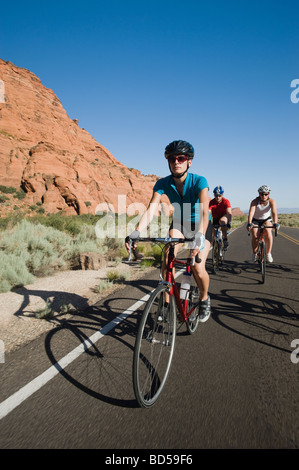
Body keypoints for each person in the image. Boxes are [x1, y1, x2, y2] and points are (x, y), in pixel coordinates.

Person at [125, 140, 212, 322]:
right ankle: (165, 304)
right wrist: (136, 231)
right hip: (180, 223)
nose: (176, 162)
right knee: (167, 258)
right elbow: (150, 210)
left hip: (202, 225)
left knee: (197, 265)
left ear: (189, 161)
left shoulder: (199, 181)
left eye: (181, 158)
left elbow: (205, 212)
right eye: (172, 158)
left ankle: (204, 299)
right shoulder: (162, 183)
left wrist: (200, 236)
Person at [247, 185, 280, 263]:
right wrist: (249, 223)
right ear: (259, 194)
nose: (264, 196)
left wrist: (275, 223)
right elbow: (251, 213)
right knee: (255, 235)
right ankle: (254, 253)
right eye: (262, 194)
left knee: (268, 232)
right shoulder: (254, 201)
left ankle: (268, 253)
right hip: (255, 220)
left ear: (268, 194)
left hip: (266, 219)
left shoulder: (272, 201)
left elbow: (274, 213)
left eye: (266, 194)